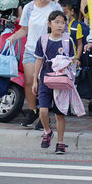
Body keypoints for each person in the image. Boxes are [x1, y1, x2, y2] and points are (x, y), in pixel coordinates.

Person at [8, 0, 61, 128]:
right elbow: (24, 30)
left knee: (45, 83)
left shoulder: (55, 7)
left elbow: (61, 29)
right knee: (30, 81)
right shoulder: (29, 8)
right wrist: (12, 37)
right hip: (31, 50)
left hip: (49, 52)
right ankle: (32, 111)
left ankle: (44, 115)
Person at [32, 10, 75, 154]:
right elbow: (39, 60)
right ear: (49, 24)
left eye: (62, 23)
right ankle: (47, 131)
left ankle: (60, 142)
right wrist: (35, 80)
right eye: (56, 22)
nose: (60, 25)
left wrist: (68, 63)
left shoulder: (68, 40)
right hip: (46, 79)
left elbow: (73, 60)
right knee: (43, 110)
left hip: (61, 81)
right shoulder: (43, 40)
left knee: (60, 114)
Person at [58, 0, 84, 64]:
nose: (63, 15)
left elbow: (80, 44)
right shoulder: (57, 25)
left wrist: (77, 58)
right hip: (59, 59)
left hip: (72, 60)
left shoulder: (76, 25)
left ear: (72, 11)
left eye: (65, 13)